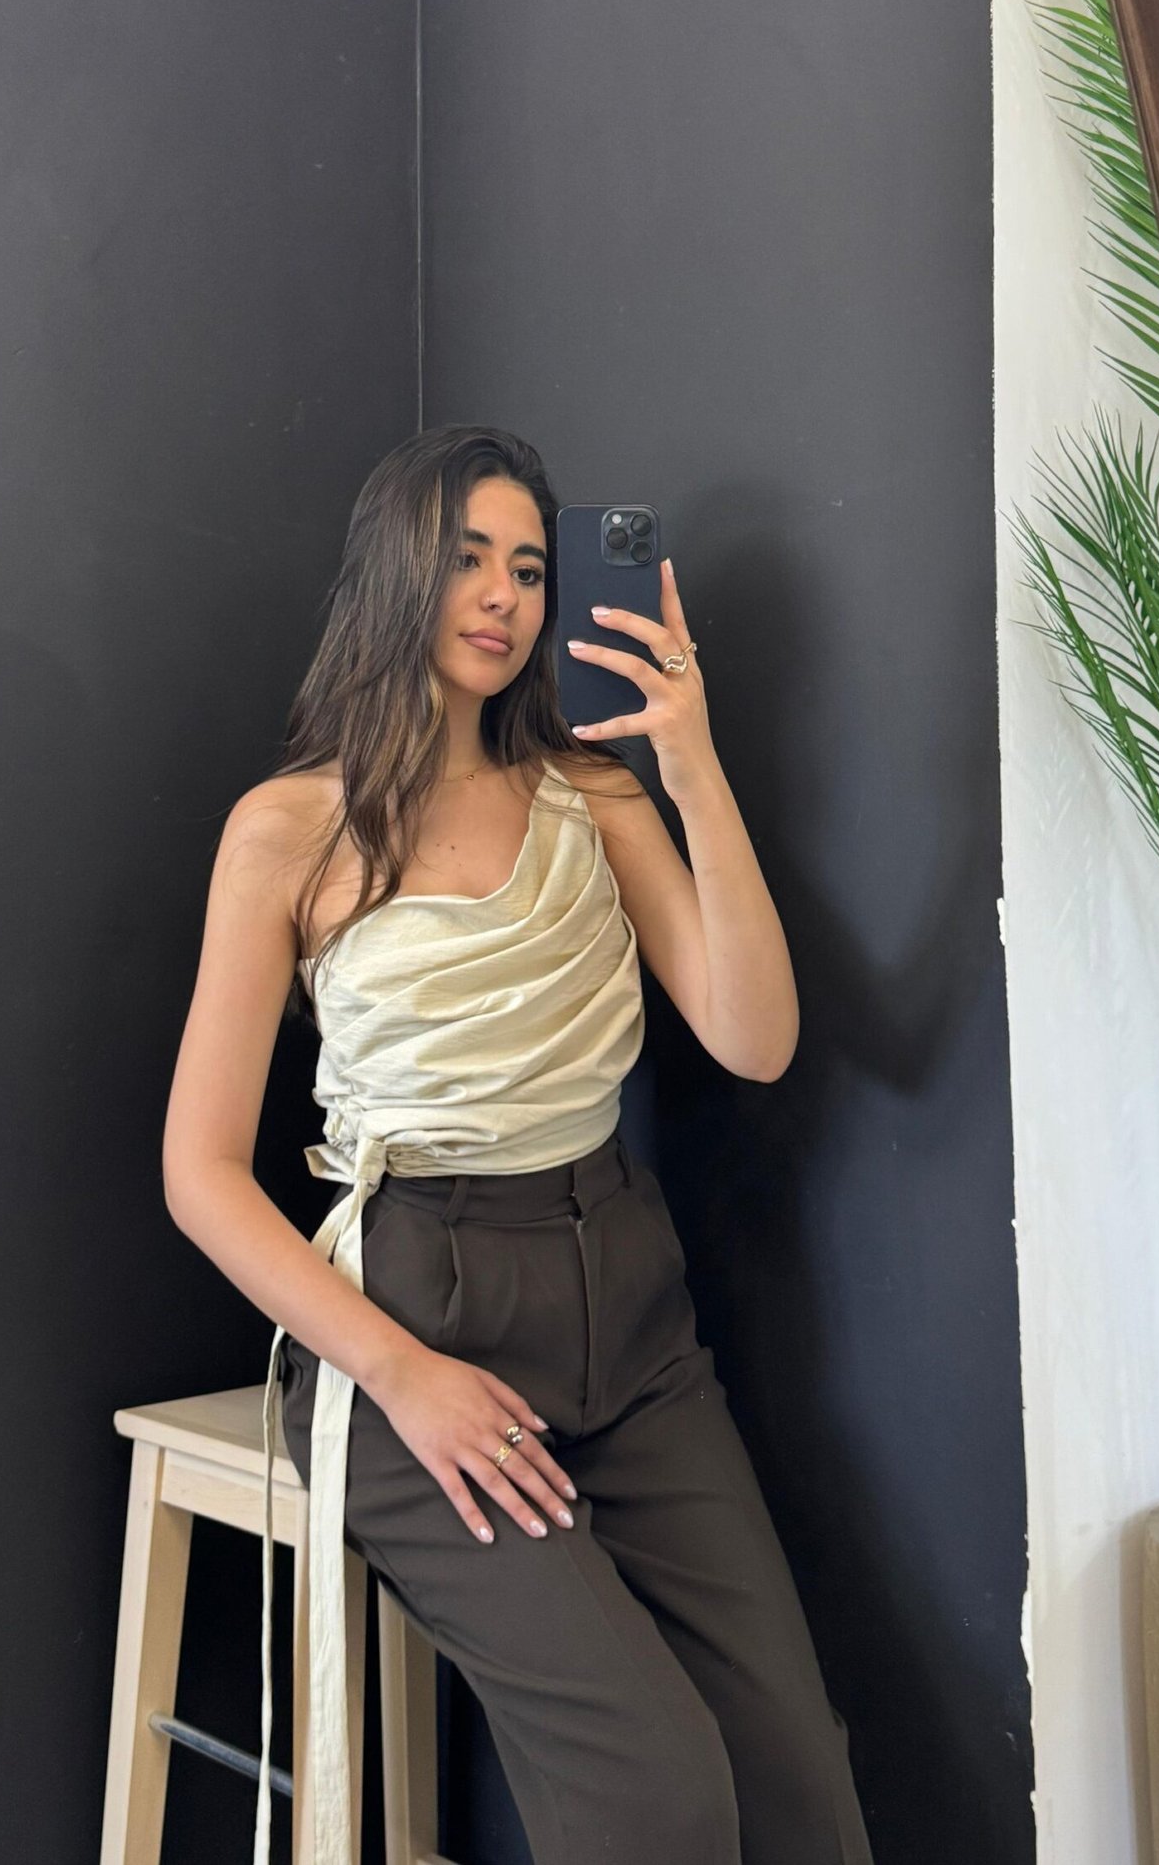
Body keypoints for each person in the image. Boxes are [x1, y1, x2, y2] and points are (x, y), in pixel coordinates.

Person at [162, 425, 875, 1865]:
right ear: (398, 569)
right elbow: (202, 1171)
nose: (502, 593)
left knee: (798, 1777)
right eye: (468, 556)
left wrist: (691, 764)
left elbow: (755, 1037)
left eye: (531, 568)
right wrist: (402, 1375)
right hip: (415, 1322)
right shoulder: (288, 829)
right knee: (656, 1791)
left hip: (632, 1316)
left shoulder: (591, 794)